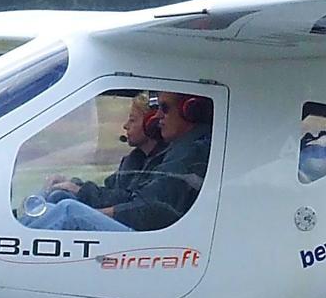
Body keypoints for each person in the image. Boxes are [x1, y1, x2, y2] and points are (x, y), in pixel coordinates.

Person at [25, 91, 212, 233]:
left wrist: (91, 210)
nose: (158, 117)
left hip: (153, 241)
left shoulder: (190, 152)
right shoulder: (154, 156)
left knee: (69, 210)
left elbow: (151, 209)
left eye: (165, 109)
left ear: (191, 110)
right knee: (60, 198)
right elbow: (124, 195)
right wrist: (78, 188)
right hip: (144, 230)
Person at [44, 94, 164, 208]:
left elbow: (127, 199)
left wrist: (79, 190)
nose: (125, 126)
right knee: (58, 194)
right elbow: (108, 192)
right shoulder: (136, 159)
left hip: (132, 226)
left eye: (132, 120)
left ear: (151, 124)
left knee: (68, 209)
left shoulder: (162, 164)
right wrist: (71, 184)